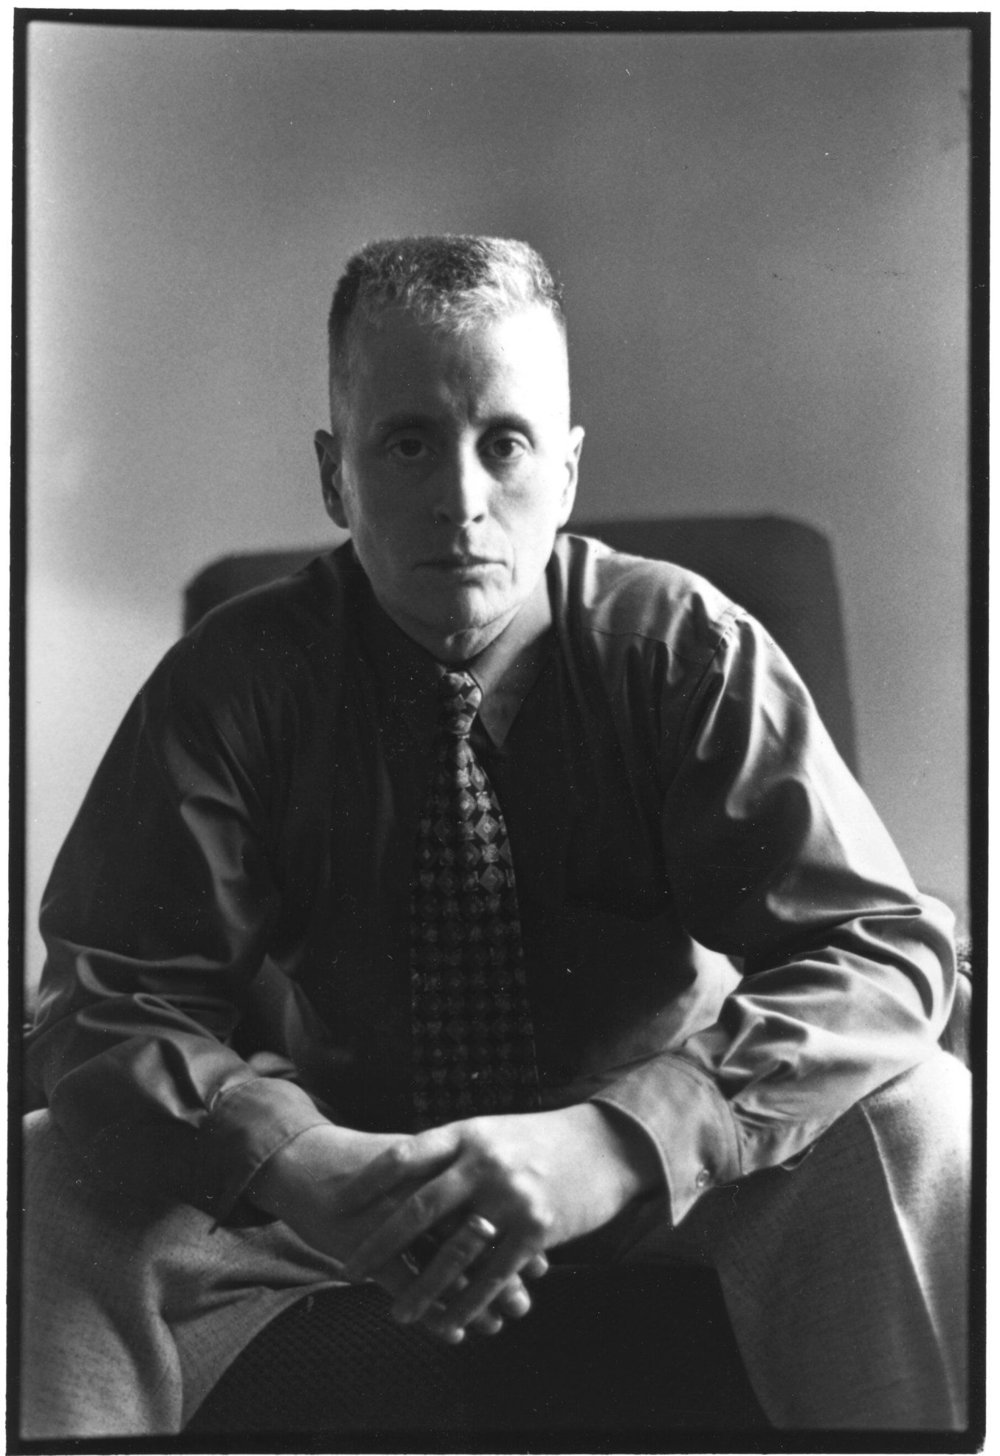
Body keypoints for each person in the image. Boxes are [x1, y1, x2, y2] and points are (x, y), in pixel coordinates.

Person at [22, 235, 970, 1438]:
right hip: (347, 1181)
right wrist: (300, 1160)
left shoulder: (684, 648)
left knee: (921, 1109)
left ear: (566, 474)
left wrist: (620, 1140)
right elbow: (103, 997)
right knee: (46, 1171)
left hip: (647, 1177)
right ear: (335, 476)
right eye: (407, 441)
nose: (460, 499)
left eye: (504, 443)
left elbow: (881, 948)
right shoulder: (233, 681)